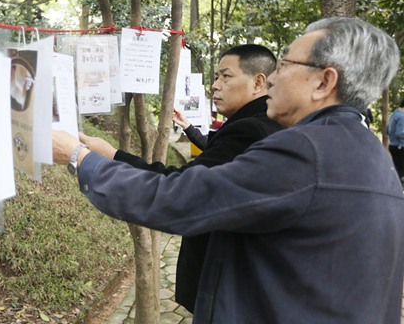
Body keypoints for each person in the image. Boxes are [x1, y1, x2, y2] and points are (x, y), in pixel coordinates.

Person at [52, 17, 404, 323]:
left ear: (324, 82)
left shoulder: (307, 152)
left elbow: (178, 199)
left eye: (283, 66)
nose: (273, 80)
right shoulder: (373, 155)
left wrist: (78, 158)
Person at [79, 44, 284, 313]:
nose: (215, 86)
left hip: (225, 286)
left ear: (258, 82)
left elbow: (181, 188)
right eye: (216, 77)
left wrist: (110, 156)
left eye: (226, 76)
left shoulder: (249, 131)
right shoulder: (259, 124)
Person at [387, 98, 404, 181]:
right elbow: (401, 133)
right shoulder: (402, 116)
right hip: (400, 147)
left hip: (393, 146)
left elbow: (387, 130)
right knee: (400, 174)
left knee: (397, 171)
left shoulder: (394, 114)